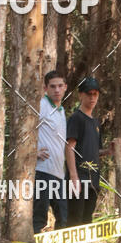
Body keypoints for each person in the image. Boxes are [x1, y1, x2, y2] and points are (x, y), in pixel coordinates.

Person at [62, 77, 113, 243]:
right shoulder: (76, 118)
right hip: (78, 179)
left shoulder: (95, 122)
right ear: (81, 95)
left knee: (86, 220)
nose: (92, 98)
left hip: (93, 180)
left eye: (95, 94)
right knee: (74, 220)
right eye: (89, 94)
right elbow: (70, 147)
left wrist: (109, 151)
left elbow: (93, 150)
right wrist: (73, 176)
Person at [34, 70, 68, 234]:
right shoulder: (41, 105)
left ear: (65, 87)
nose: (57, 90)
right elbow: (23, 130)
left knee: (64, 217)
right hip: (42, 171)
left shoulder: (61, 110)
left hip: (59, 174)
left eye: (60, 86)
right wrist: (33, 152)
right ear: (45, 88)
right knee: (39, 218)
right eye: (53, 86)